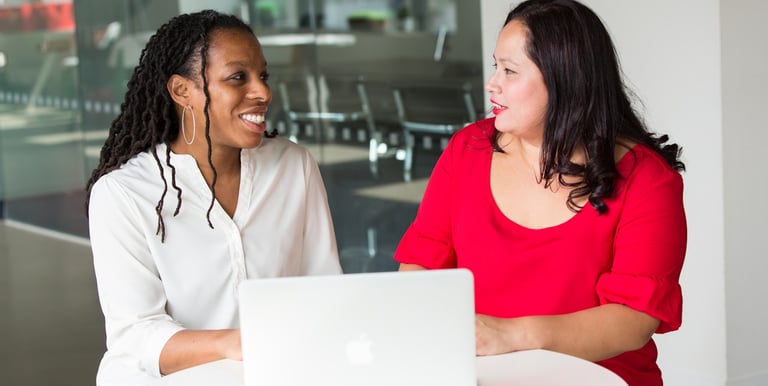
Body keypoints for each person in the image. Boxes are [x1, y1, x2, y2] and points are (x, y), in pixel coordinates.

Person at [393, 1, 687, 385]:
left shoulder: (647, 179)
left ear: (566, 80)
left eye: (510, 71)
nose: (492, 83)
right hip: (480, 373)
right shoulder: (467, 149)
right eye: (495, 65)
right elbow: (421, 265)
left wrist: (511, 335)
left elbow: (633, 320)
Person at [85, 10, 341, 385]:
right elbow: (135, 334)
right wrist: (237, 344)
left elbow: (324, 287)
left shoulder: (293, 167)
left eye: (263, 76)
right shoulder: (123, 194)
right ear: (181, 91)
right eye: (238, 77)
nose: (263, 92)